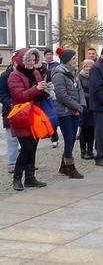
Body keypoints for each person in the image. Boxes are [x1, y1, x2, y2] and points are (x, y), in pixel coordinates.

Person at [8, 48, 50, 191]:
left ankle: (30, 178)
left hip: (35, 115)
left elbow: (37, 94)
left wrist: (45, 90)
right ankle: (17, 179)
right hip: (22, 115)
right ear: (22, 61)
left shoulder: (36, 73)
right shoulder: (14, 75)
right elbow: (19, 96)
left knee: (33, 147)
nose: (32, 63)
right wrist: (37, 89)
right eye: (29, 60)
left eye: (34, 60)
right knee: (26, 148)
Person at [51, 48, 86, 179]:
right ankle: (70, 167)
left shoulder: (74, 73)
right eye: (74, 58)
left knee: (72, 138)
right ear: (67, 60)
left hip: (75, 111)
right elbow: (61, 95)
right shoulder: (58, 74)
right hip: (65, 112)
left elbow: (80, 90)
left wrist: (81, 105)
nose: (76, 60)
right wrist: (76, 106)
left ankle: (63, 165)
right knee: (69, 138)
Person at [0, 52, 18, 174]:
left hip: (24, 111)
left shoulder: (25, 73)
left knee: (24, 139)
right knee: (12, 139)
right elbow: (2, 95)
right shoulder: (5, 76)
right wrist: (12, 103)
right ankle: (12, 163)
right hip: (10, 111)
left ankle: (23, 162)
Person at [77, 59, 95, 160]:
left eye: (90, 66)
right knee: (84, 129)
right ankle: (83, 151)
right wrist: (90, 96)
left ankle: (90, 150)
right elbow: (79, 91)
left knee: (92, 129)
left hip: (92, 106)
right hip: (84, 105)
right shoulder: (79, 77)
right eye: (86, 66)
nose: (88, 68)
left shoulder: (95, 77)